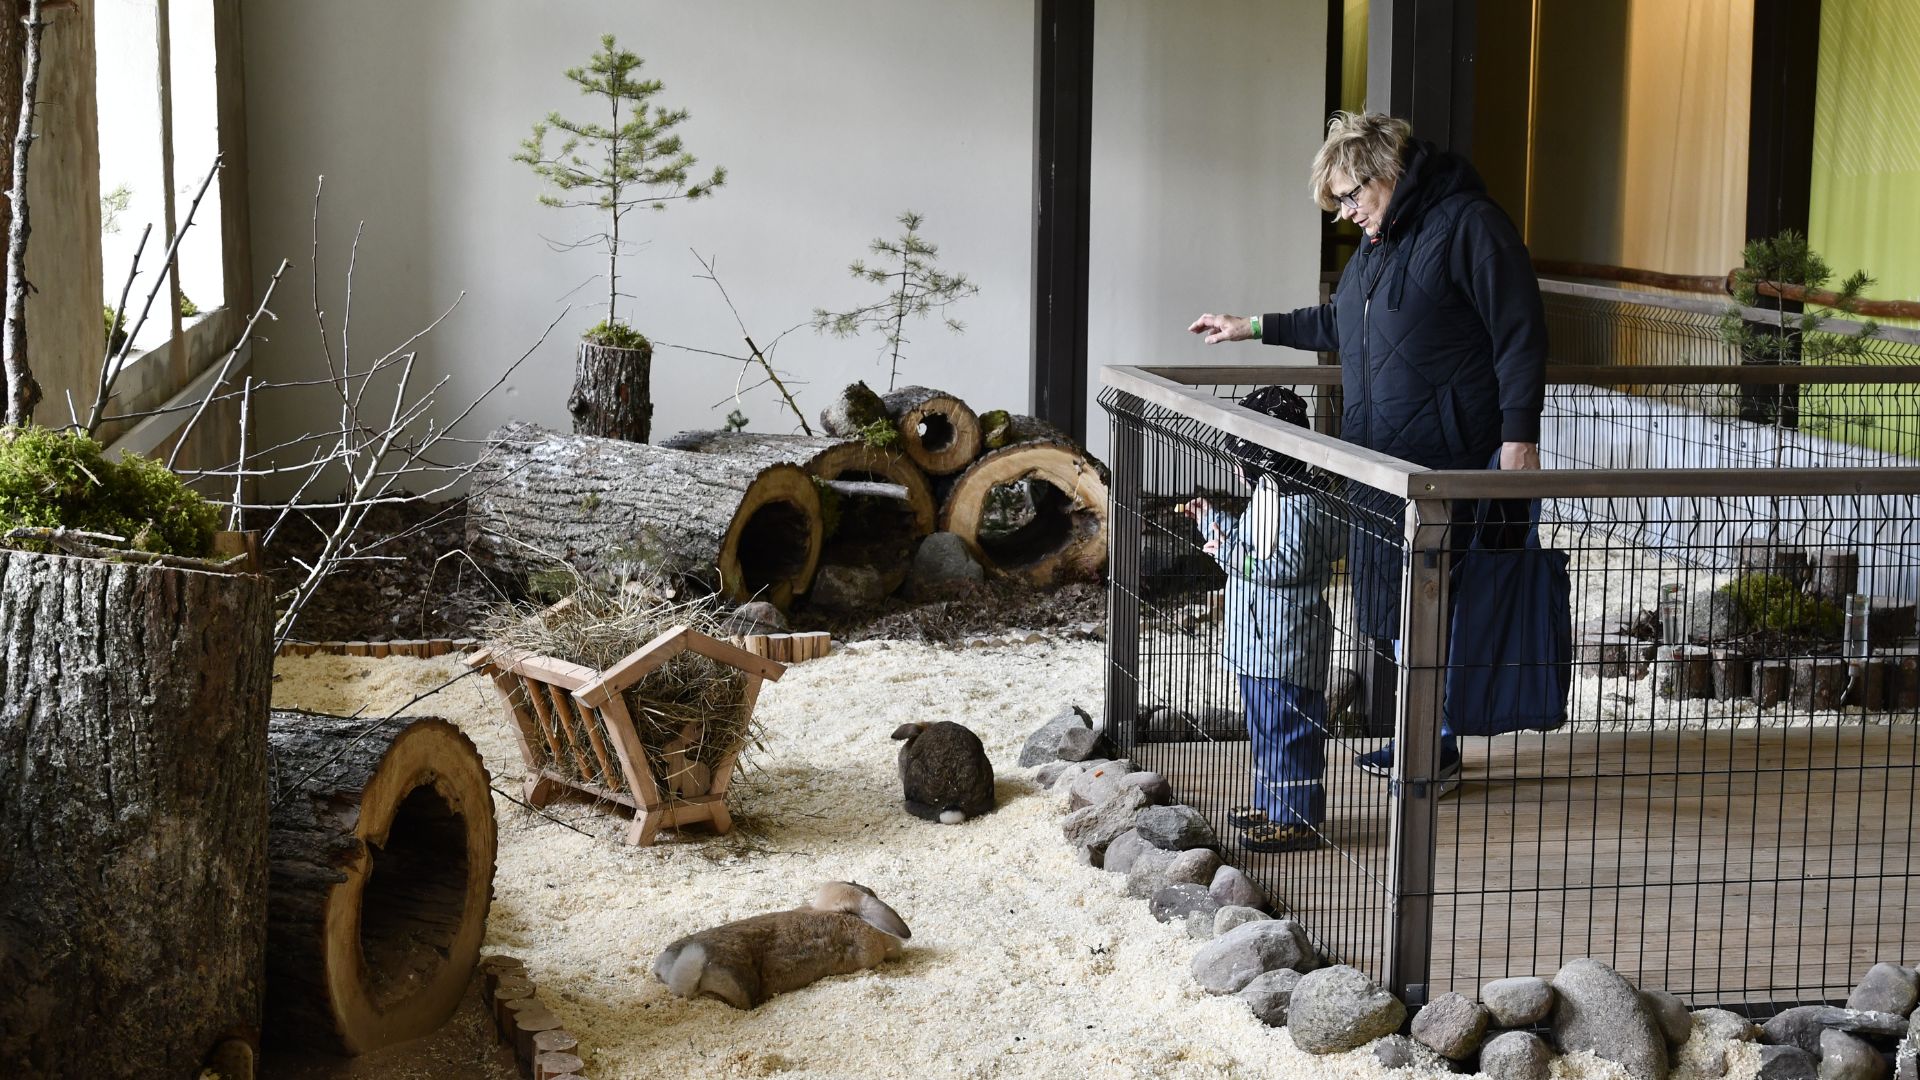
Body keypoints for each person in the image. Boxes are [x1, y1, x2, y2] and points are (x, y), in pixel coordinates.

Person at [1186, 110, 1547, 786]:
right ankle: (1422, 741)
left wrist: (1518, 437)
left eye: (1351, 196)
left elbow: (1520, 331)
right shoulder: (1377, 249)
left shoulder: (1470, 225)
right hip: (1379, 461)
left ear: (1387, 172)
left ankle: (1435, 748)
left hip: (1449, 458)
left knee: (1445, 598)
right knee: (1401, 606)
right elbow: (1338, 323)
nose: (1347, 213)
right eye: (1339, 204)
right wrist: (1251, 326)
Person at [1185, 386, 1347, 853]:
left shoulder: (1300, 506)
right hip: (1258, 643)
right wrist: (1214, 523)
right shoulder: (1272, 496)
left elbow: (1283, 563)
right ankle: (1272, 803)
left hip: (1286, 644)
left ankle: (1297, 819)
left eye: (1243, 459)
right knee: (1265, 729)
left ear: (1265, 459)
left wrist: (1229, 553)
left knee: (1288, 730)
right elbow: (1253, 544)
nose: (1238, 469)